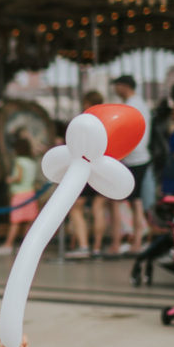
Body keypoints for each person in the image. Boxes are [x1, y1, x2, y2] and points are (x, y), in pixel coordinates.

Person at [106, 74, 151, 255]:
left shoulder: (131, 107)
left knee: (119, 200)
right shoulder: (140, 105)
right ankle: (137, 239)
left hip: (131, 158)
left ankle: (119, 242)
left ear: (124, 86)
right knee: (135, 201)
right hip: (140, 157)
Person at [66, 90, 107, 258]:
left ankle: (83, 246)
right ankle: (97, 247)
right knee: (98, 208)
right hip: (104, 167)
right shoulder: (106, 120)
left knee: (76, 208)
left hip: (86, 166)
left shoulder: (85, 121)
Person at [0, 137, 39, 256]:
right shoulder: (32, 162)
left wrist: (10, 179)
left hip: (19, 194)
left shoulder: (19, 161)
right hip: (31, 193)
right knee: (28, 222)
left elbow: (19, 177)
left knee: (15, 221)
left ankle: (8, 244)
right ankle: (26, 246)